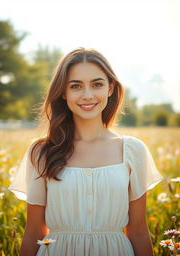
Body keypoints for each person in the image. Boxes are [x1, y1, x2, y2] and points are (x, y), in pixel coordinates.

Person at [8, 47, 164, 256]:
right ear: (63, 92)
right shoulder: (42, 152)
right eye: (76, 86)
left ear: (110, 88)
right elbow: (34, 231)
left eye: (97, 84)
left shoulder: (133, 151)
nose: (88, 95)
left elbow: (138, 232)